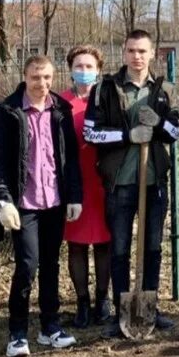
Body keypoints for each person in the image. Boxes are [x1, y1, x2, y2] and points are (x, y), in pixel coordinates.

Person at [84, 30, 179, 338]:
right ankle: (120, 310)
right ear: (123, 53)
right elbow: (91, 133)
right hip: (120, 183)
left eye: (142, 51)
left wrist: (160, 124)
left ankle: (150, 306)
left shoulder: (166, 89)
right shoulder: (105, 89)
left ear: (152, 53)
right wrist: (127, 136)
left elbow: (177, 133)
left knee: (153, 247)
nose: (137, 56)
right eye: (131, 51)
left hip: (154, 182)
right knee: (120, 249)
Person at [0, 55, 83, 357]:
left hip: (54, 200)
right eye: (36, 78)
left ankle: (50, 327)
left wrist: (74, 196)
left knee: (52, 264)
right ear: (25, 77)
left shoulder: (61, 112)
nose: (42, 84)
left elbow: (71, 160)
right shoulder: (6, 113)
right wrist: (3, 199)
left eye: (47, 78)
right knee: (27, 265)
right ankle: (17, 332)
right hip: (23, 204)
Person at [60, 45, 113, 328]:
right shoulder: (60, 102)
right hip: (73, 181)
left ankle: (103, 300)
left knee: (104, 242)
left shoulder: (107, 99)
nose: (84, 71)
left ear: (98, 70)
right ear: (70, 68)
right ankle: (82, 301)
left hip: (102, 179)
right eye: (78, 66)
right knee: (77, 245)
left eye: (89, 66)